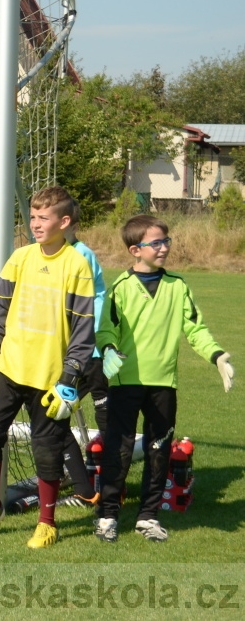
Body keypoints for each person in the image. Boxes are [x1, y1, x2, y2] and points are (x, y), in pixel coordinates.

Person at [0, 186, 96, 548]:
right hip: (9, 369)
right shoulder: (19, 258)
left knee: (47, 451)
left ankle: (47, 523)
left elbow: (84, 328)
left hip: (51, 379)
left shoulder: (77, 265)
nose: (35, 223)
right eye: (32, 216)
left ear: (64, 222)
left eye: (43, 217)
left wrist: (70, 378)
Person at [93, 214, 234, 543]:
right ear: (135, 250)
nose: (164, 247)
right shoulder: (121, 289)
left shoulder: (178, 286)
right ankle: (108, 515)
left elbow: (195, 328)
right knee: (119, 450)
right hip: (126, 383)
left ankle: (148, 516)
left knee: (159, 450)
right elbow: (105, 330)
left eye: (166, 240)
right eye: (156, 242)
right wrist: (110, 348)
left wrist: (216, 355)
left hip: (163, 385)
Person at [57, 204, 111, 509]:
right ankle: (94, 485)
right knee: (59, 414)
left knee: (54, 415)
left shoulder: (79, 254)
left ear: (66, 223)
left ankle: (88, 488)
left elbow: (78, 303)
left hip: (87, 351)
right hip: (86, 349)